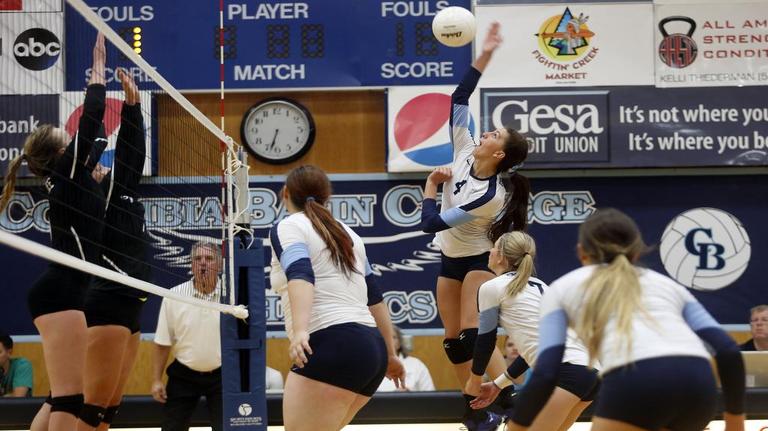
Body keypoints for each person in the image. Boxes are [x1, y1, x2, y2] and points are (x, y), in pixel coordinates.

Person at [502, 208, 745, 431]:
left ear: (581, 252)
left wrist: (517, 425)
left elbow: (546, 372)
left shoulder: (563, 287)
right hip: (697, 382)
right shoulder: (669, 286)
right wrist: (735, 423)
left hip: (635, 379)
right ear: (637, 251)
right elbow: (729, 350)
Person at [419, 22, 530, 430]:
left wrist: (431, 184)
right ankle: (477, 413)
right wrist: (484, 53)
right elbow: (460, 96)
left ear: (499, 153)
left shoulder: (489, 196)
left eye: (494, 133)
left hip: (480, 258)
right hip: (451, 257)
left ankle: (507, 399)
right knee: (452, 344)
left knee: (471, 334)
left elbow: (430, 223)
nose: (485, 131)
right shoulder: (464, 148)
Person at [0, 34, 107, 431]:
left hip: (63, 289)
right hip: (63, 290)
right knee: (68, 397)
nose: (71, 136)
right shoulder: (65, 176)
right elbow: (93, 120)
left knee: (60, 394)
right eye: (67, 138)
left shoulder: (68, 177)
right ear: (62, 154)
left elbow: (96, 140)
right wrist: (97, 75)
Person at [269, 165, 405, 431]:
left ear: (285, 193)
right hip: (371, 350)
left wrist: (299, 331)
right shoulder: (349, 235)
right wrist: (389, 354)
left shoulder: (289, 226)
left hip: (332, 343)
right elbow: (375, 299)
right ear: (327, 197)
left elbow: (301, 274)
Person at [467, 232, 598, 431]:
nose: (490, 251)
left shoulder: (491, 287)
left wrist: (474, 380)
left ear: (501, 256)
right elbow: (536, 349)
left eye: (494, 247)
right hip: (591, 372)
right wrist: (497, 384)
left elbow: (485, 340)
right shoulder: (540, 285)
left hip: (565, 371)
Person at [152, 242, 224, 431]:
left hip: (223, 376)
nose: (203, 263)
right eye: (197, 259)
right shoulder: (174, 295)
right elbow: (162, 342)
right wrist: (156, 379)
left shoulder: (231, 296)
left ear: (219, 265)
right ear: (191, 265)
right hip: (184, 373)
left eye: (209, 259)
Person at [377, 325, 435, 392]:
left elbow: (429, 395)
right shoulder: (369, 366)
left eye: (392, 337)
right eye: (383, 337)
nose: (387, 341)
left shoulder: (416, 365)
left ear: (399, 343)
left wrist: (409, 395)